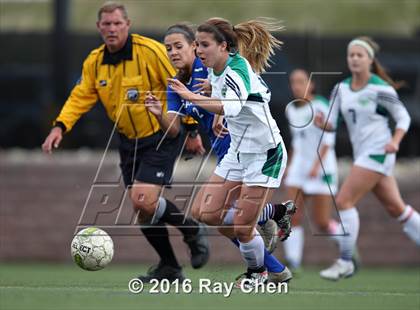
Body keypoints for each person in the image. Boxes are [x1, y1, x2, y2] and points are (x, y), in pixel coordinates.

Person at [41, 2, 209, 282]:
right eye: (106, 24)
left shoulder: (151, 51)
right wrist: (60, 126)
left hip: (161, 134)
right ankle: (170, 266)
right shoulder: (95, 61)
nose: (112, 29)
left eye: (117, 23)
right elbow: (81, 96)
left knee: (142, 199)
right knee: (143, 210)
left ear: (127, 25)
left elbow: (180, 81)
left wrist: (191, 128)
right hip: (128, 141)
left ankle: (191, 230)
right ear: (99, 28)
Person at [145, 23, 296, 284]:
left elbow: (233, 107)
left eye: (204, 45)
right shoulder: (217, 69)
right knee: (205, 212)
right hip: (238, 152)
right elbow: (243, 98)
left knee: (241, 226)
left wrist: (193, 97)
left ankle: (257, 272)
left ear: (223, 46)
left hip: (264, 154)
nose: (198, 50)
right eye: (197, 45)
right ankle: (274, 212)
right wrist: (214, 99)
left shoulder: (235, 70)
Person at [315, 36, 420, 281]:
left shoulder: (380, 88)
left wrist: (394, 141)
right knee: (397, 209)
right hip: (363, 154)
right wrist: (323, 124)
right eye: (351, 55)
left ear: (370, 60)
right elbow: (332, 124)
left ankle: (345, 261)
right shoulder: (340, 89)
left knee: (343, 201)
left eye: (359, 55)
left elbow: (403, 118)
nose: (354, 59)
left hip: (378, 152)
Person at [282, 69, 339, 271]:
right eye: (293, 82)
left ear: (311, 84)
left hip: (321, 168)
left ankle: (347, 247)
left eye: (301, 81)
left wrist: (316, 166)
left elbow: (328, 141)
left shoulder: (321, 106)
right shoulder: (292, 110)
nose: (296, 86)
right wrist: (290, 166)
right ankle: (293, 262)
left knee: (322, 222)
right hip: (299, 168)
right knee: (291, 215)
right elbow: (297, 142)